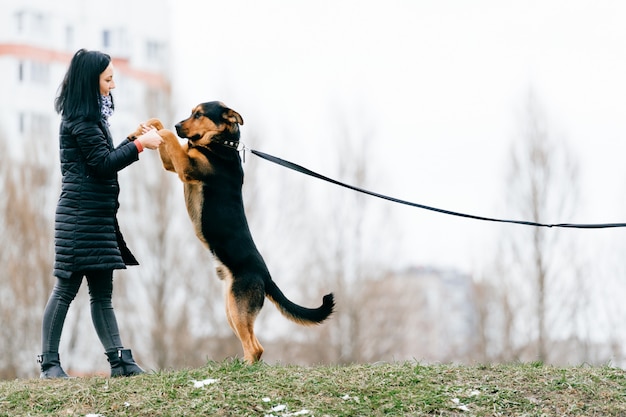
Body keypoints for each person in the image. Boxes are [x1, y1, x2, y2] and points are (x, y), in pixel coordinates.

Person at [38, 49, 163, 379]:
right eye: (108, 79)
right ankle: (49, 364)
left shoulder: (90, 119)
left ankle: (119, 362)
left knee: (102, 295)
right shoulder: (81, 121)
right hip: (80, 220)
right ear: (90, 82)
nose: (114, 85)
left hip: (94, 218)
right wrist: (140, 146)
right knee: (65, 290)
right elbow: (103, 164)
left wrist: (132, 138)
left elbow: (101, 157)